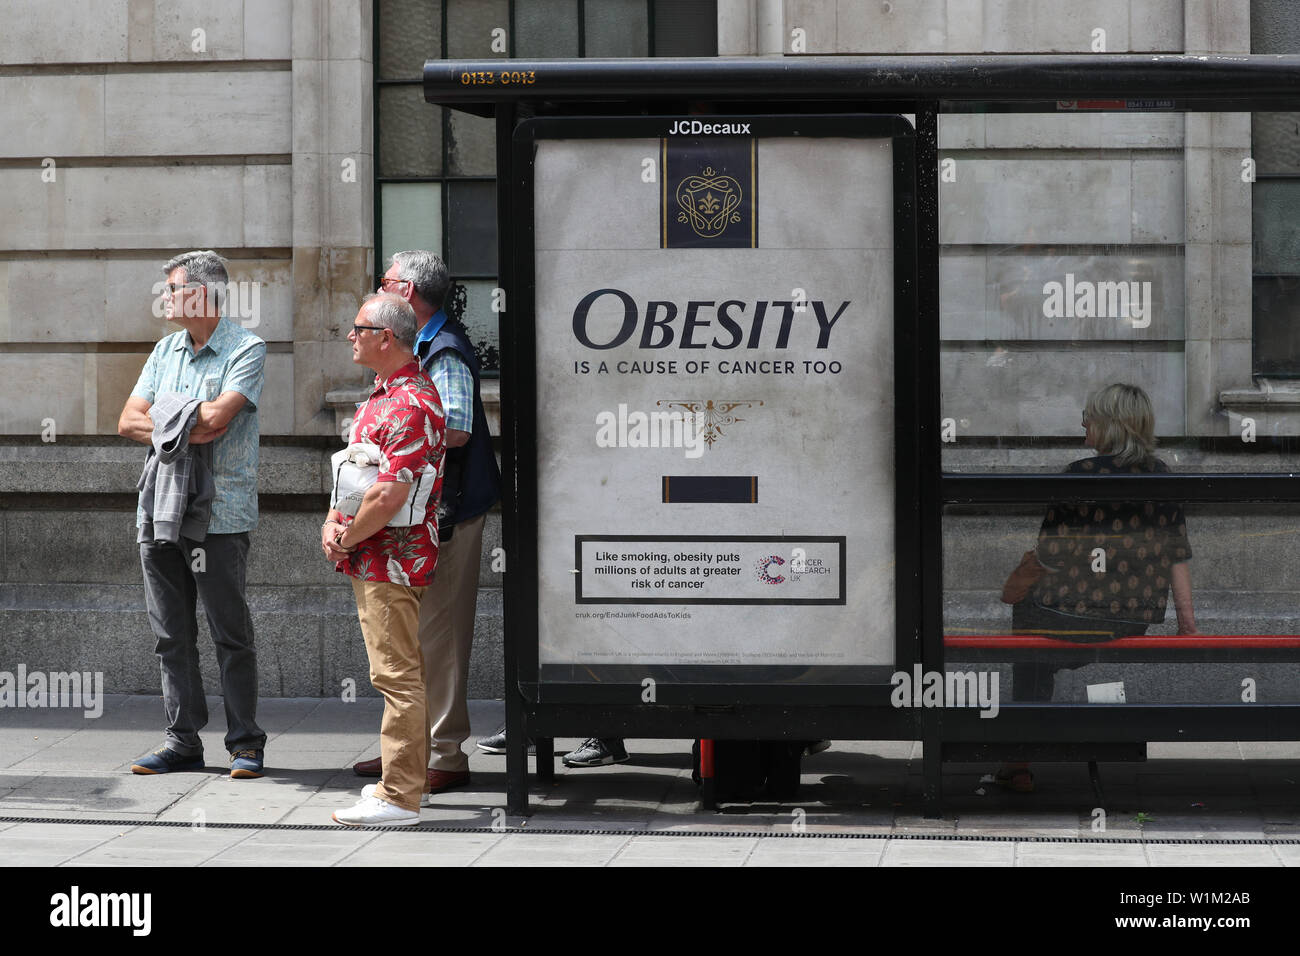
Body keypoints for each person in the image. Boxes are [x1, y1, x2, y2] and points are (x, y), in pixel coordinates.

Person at [350, 251, 501, 794]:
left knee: (440, 635)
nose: (379, 289)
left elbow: (453, 429)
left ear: (407, 291)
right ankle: (408, 749)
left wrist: (388, 445)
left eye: (386, 282)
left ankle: (444, 754)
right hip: (421, 513)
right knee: (408, 639)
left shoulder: (445, 349)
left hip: (446, 513)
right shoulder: (418, 350)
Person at [999, 383, 1196, 792]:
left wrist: (1014, 587)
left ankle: (1019, 757)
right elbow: (1177, 555)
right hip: (1132, 619)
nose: (1082, 423)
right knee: (1039, 650)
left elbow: (1049, 555)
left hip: (1070, 616)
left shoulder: (1079, 473)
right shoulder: (1161, 475)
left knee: (1031, 643)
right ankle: (1024, 747)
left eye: (1089, 417)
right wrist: (1188, 625)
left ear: (1111, 424)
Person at [119, 251, 268, 778]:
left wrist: (166, 417)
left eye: (173, 289)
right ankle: (182, 741)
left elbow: (221, 416)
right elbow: (126, 420)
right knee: (170, 635)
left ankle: (246, 744)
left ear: (201, 294)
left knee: (230, 633)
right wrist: (186, 423)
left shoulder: (247, 349)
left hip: (219, 513)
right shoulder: (165, 351)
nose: (164, 298)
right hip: (159, 508)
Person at [327, 293, 445, 826]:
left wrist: (345, 537)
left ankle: (398, 796)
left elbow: (389, 494)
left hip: (390, 559)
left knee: (396, 677)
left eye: (359, 328)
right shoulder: (385, 393)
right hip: (375, 553)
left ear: (386, 337)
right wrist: (333, 523)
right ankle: (402, 785)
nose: (350, 336)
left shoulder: (408, 402)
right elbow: (357, 479)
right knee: (397, 673)